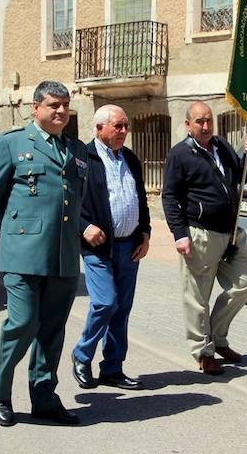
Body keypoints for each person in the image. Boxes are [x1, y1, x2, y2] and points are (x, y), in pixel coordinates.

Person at [0, 80, 88, 427]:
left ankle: (44, 398)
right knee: (23, 322)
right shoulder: (11, 144)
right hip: (24, 251)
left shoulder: (77, 149)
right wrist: (15, 228)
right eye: (54, 105)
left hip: (64, 254)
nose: (61, 111)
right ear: (36, 107)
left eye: (65, 105)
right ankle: (1, 393)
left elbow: (77, 197)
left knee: (53, 330)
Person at [161, 101, 247, 376]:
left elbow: (240, 177)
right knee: (197, 298)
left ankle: (218, 337)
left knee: (243, 285)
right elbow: (170, 197)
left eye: (209, 121)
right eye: (200, 122)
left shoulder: (222, 146)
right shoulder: (180, 154)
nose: (205, 126)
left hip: (231, 232)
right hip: (200, 233)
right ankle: (204, 352)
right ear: (188, 125)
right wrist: (180, 235)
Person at [71, 105, 150, 391]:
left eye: (126, 126)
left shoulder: (129, 157)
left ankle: (112, 368)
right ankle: (82, 354)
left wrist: (145, 233)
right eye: (118, 126)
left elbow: (140, 197)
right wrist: (83, 227)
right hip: (98, 246)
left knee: (122, 309)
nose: (124, 131)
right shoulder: (82, 158)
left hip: (129, 246)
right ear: (99, 128)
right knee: (105, 302)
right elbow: (65, 200)